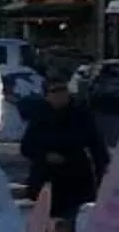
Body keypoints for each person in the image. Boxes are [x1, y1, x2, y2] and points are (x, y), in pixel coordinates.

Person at [18, 75, 110, 220]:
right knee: (49, 223)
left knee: (71, 221)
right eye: (55, 91)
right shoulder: (40, 116)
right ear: (47, 96)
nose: (60, 94)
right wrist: (45, 156)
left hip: (76, 181)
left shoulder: (81, 115)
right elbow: (27, 147)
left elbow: (97, 147)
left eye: (63, 90)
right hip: (46, 180)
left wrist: (102, 175)